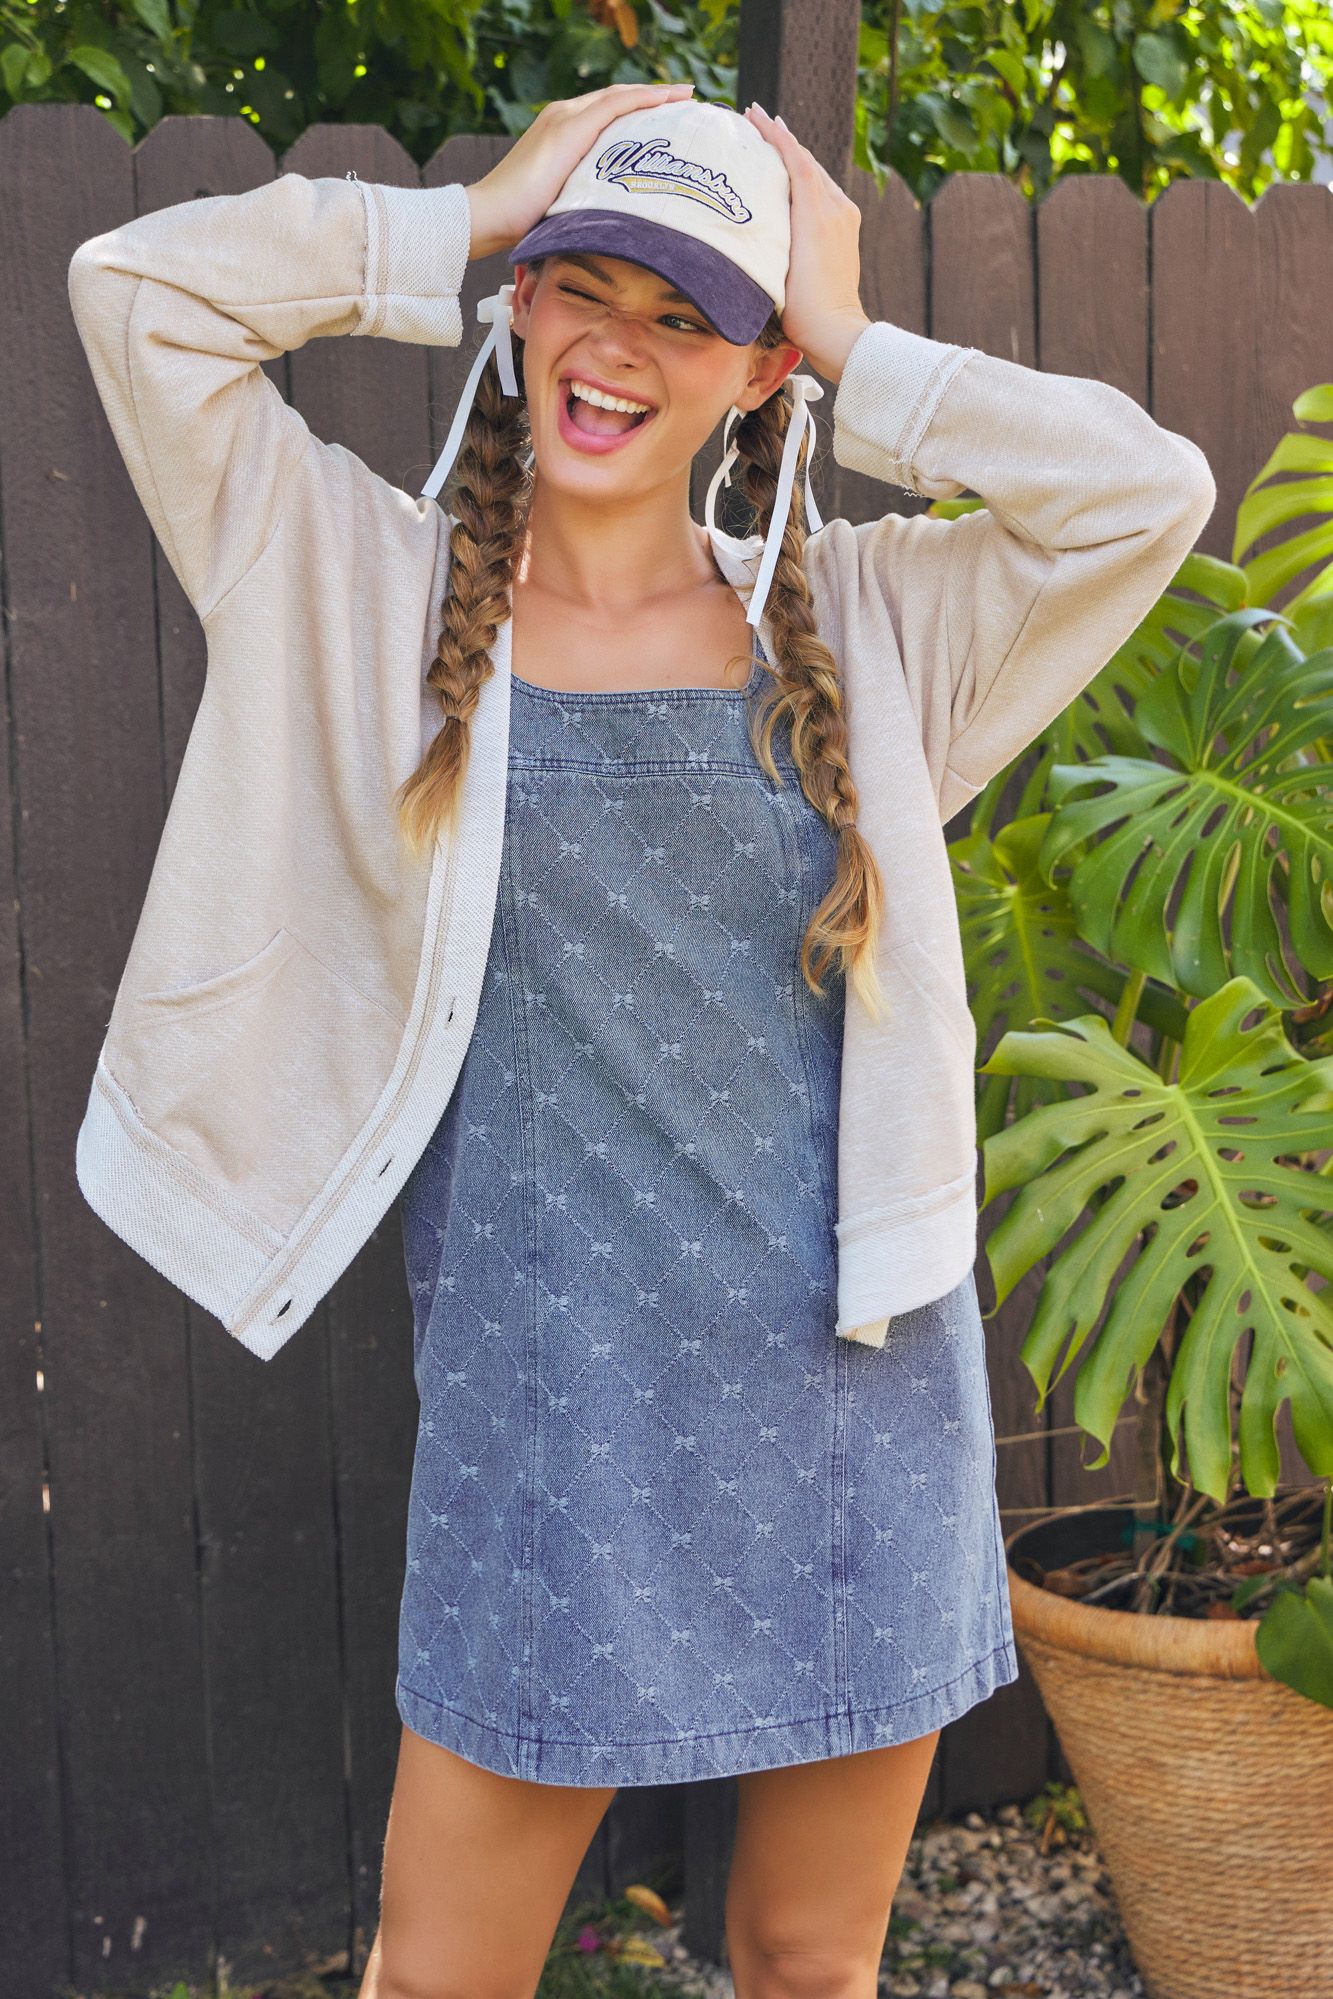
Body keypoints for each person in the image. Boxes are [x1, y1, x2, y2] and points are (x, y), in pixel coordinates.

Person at [65, 74, 1215, 1999]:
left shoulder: (867, 625)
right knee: (435, 1976)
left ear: (758, 374)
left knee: (802, 1961)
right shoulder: (354, 586)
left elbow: (1143, 493)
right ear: (524, 308)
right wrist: (468, 221)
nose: (618, 346)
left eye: (685, 314)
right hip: (546, 1416)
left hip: (850, 1394)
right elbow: (135, 292)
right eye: (585, 285)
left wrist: (848, 327)